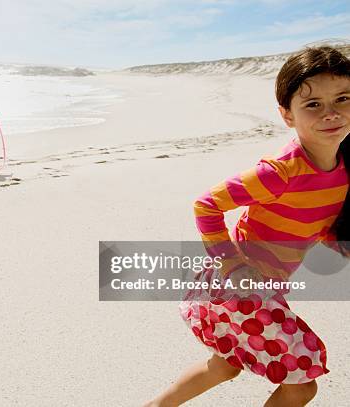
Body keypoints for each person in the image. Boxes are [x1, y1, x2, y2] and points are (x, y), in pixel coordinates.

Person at [146, 46, 350, 406]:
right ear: (287, 115)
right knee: (302, 384)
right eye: (313, 104)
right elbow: (206, 204)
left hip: (262, 285)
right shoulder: (280, 172)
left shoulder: (343, 169)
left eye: (343, 99)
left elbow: (316, 222)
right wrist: (233, 265)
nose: (331, 113)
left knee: (224, 365)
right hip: (238, 285)